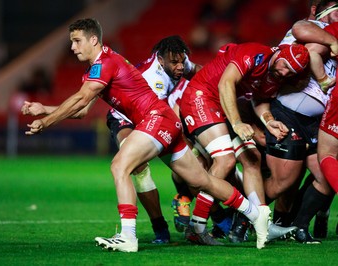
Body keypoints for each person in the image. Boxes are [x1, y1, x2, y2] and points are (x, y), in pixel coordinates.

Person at [22, 18, 272, 252]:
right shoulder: (100, 67)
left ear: (93, 40)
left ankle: (128, 237)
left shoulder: (104, 63)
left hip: (155, 120)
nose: (73, 47)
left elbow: (81, 98)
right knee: (202, 181)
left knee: (120, 165)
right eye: (72, 42)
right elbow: (81, 109)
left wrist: (46, 122)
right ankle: (255, 214)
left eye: (77, 41)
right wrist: (46, 110)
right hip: (165, 122)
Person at [178, 41, 310, 245]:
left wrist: (269, 120)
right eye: (284, 65)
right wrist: (237, 122)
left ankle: (262, 222)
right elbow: (226, 83)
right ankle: (198, 226)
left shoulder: (276, 77)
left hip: (223, 109)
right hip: (201, 98)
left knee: (253, 160)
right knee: (225, 161)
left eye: (290, 72)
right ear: (279, 54)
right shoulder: (256, 53)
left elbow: (259, 99)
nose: (284, 73)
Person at [105, 35, 201, 243]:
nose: (180, 67)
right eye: (175, 63)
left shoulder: (175, 60)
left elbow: (198, 72)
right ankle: (160, 229)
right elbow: (157, 117)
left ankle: (216, 215)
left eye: (182, 62)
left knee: (190, 169)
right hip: (125, 118)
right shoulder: (153, 77)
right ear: (161, 60)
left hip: (154, 116)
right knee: (139, 167)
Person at [262, 0, 338, 243]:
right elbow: (300, 28)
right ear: (318, 10)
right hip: (288, 111)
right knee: (284, 181)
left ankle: (297, 225)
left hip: (314, 120)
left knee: (323, 175)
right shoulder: (317, 28)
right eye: (336, 11)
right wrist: (332, 45)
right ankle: (240, 219)